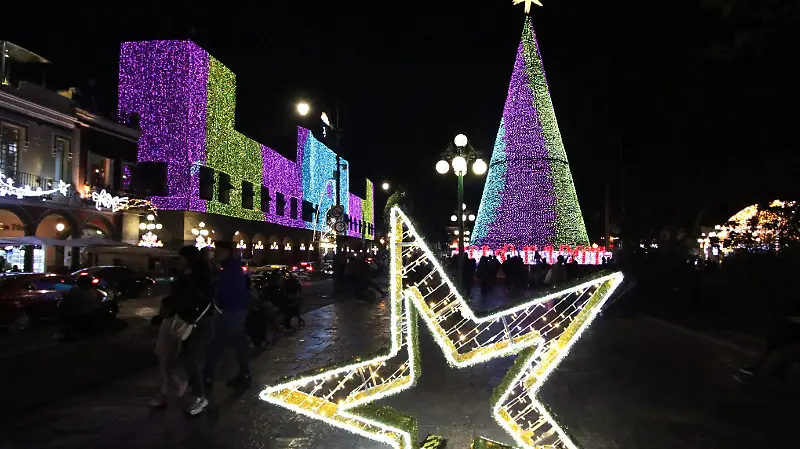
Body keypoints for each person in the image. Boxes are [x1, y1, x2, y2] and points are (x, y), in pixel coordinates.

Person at [170, 246, 214, 416]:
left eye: (181, 258)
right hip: (189, 321)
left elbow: (201, 298)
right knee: (188, 358)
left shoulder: (200, 276)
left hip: (199, 322)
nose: (178, 261)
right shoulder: (186, 274)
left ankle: (199, 396)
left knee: (191, 359)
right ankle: (194, 390)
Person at [204, 241, 252, 390]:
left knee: (220, 344)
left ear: (227, 252)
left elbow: (227, 291)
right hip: (233, 310)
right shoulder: (230, 268)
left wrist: (220, 304)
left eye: (218, 251)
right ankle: (243, 374)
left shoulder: (230, 270)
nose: (215, 254)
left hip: (230, 311)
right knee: (232, 343)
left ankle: (208, 376)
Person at [151, 295, 187, 408]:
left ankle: (163, 398)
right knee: (166, 374)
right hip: (163, 350)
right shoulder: (167, 320)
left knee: (167, 375)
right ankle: (174, 388)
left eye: (164, 307)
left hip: (168, 351)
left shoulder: (175, 321)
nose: (161, 310)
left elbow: (177, 337)